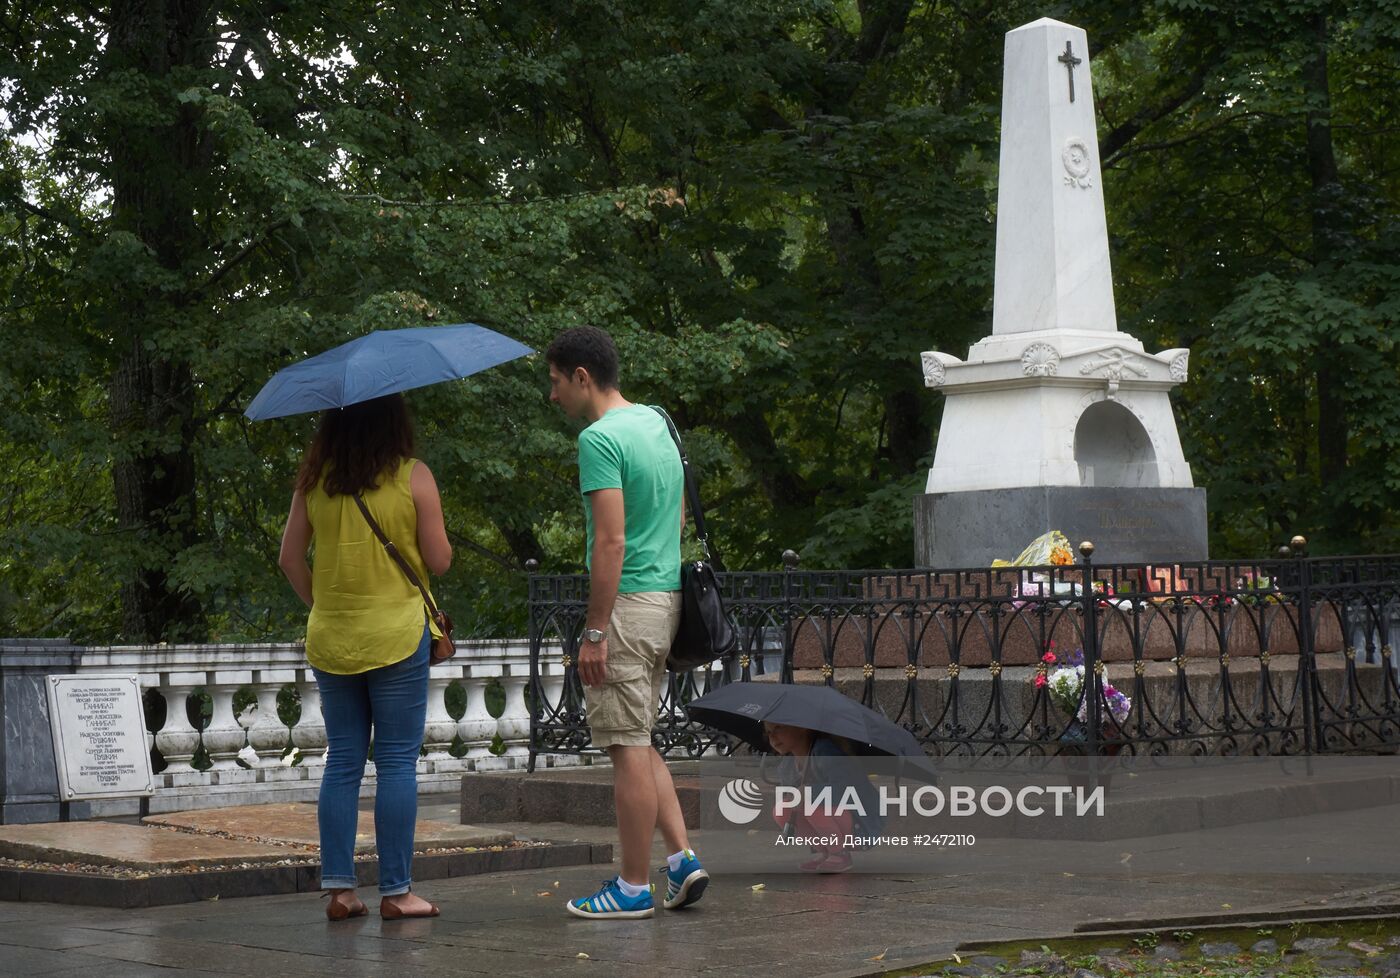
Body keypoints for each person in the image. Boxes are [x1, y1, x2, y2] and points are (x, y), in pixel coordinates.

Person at [546, 325, 708, 919]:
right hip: (665, 600)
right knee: (640, 740)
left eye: (557, 382)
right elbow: (680, 512)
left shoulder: (600, 439)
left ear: (582, 377)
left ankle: (633, 887)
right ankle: (682, 860)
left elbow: (609, 542)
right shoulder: (657, 420)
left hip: (628, 607)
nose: (554, 395)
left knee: (624, 747)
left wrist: (594, 630)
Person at [278, 393, 451, 921]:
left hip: (332, 639)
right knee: (396, 760)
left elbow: (289, 559)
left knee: (344, 760)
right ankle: (397, 893)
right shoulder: (412, 476)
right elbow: (439, 561)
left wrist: (326, 606)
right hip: (398, 636)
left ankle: (340, 891)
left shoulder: (315, 482)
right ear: (395, 421)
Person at [763, 722, 882, 873]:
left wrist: (810, 791)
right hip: (830, 818)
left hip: (860, 823)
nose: (772, 737)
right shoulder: (787, 766)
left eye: (778, 728)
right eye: (768, 732)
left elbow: (847, 791)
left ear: (802, 727)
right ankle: (826, 851)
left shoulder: (826, 752)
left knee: (812, 804)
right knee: (782, 809)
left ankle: (840, 854)